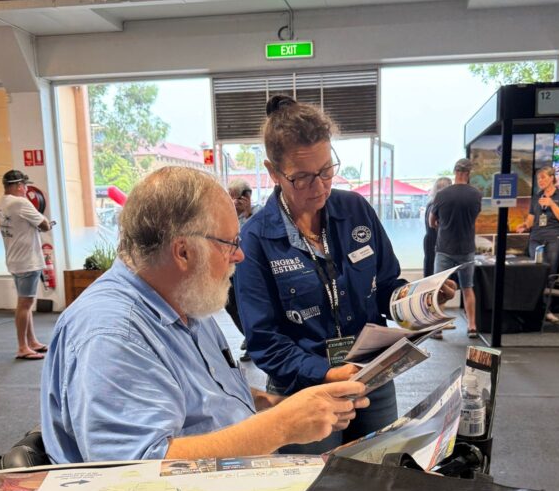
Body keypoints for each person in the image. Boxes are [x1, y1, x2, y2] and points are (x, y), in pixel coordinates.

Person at [40, 166, 368, 464]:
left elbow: (204, 401)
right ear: (183, 252)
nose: (239, 255)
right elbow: (141, 468)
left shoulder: (182, 300)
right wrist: (281, 426)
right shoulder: (113, 333)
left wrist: (274, 405)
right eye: (229, 243)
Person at [234, 96, 415, 453]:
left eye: (327, 171)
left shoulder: (356, 210)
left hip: (371, 377)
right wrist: (326, 373)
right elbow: (264, 339)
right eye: (302, 178)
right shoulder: (255, 239)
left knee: (377, 475)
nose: (319, 187)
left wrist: (419, 301)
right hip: (303, 393)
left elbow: (388, 285)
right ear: (274, 172)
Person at [0, 169, 54, 361]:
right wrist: (45, 222)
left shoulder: (2, 203)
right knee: (25, 304)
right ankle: (22, 347)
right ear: (19, 186)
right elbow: (44, 225)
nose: (27, 188)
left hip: (14, 260)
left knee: (25, 303)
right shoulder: (20, 202)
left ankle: (32, 341)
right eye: (25, 185)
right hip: (28, 261)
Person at [429, 158, 482, 338]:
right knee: (468, 288)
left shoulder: (442, 195)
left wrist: (441, 224)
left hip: (444, 247)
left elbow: (431, 221)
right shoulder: (476, 195)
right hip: (466, 248)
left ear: (455, 172)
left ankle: (437, 327)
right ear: (468, 174)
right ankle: (472, 326)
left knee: (439, 288)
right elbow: (475, 217)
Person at [516, 165, 559, 322]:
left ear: (552, 178)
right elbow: (531, 218)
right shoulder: (536, 196)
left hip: (554, 239)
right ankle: (536, 309)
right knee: (536, 273)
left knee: (549, 275)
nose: (540, 181)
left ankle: (547, 310)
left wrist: (552, 204)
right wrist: (525, 225)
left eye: (543, 177)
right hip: (536, 239)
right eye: (538, 178)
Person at [223, 181, 257, 356]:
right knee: (230, 304)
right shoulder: (227, 216)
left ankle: (255, 339)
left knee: (250, 306)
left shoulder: (258, 214)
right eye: (231, 196)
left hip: (251, 269)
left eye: (238, 197)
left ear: (248, 196)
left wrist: (248, 212)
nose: (234, 201)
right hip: (231, 268)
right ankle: (248, 335)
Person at [423, 176, 451, 277]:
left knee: (429, 268)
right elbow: (436, 225)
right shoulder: (438, 206)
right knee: (436, 272)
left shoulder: (431, 203)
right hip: (437, 241)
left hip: (429, 239)